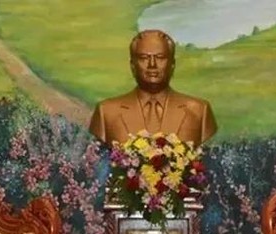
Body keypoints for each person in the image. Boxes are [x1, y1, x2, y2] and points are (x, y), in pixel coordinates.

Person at [89, 29, 217, 146]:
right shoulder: (106, 112)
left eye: (160, 58)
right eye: (144, 58)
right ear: (132, 65)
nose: (152, 64)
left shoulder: (199, 111)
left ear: (172, 64)